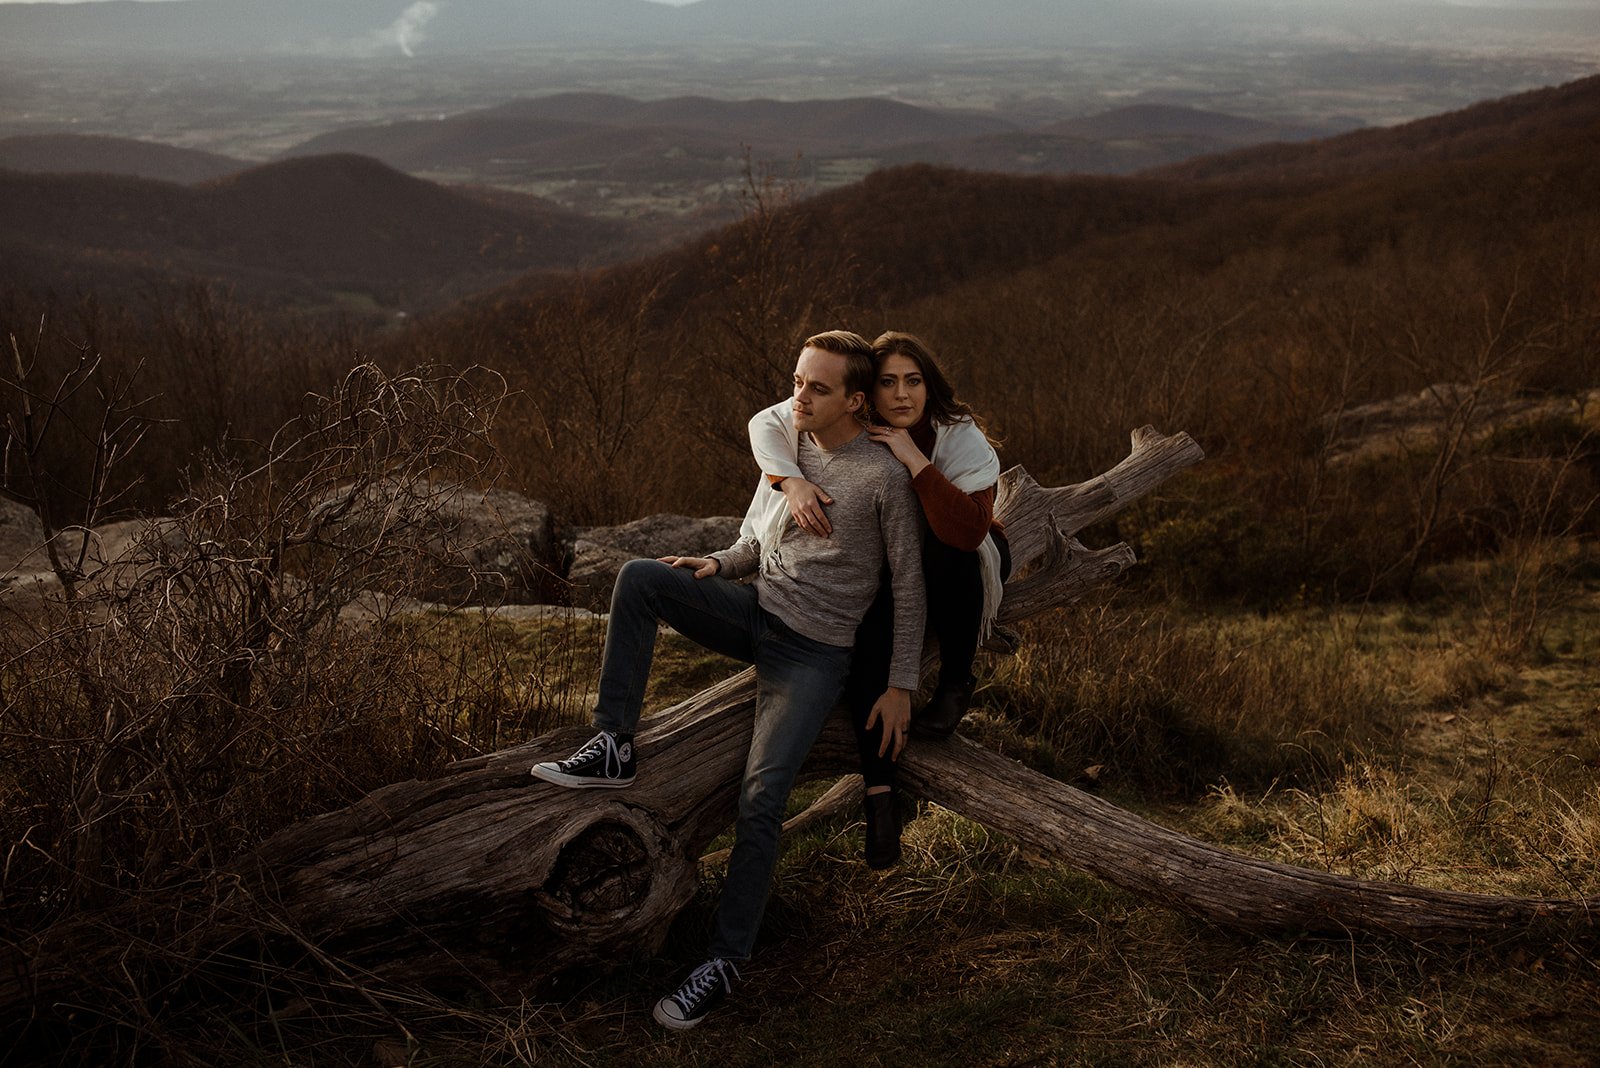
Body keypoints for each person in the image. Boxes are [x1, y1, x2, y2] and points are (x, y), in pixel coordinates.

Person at [530, 329, 926, 1031]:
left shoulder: (883, 479)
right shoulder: (789, 450)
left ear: (856, 401)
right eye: (798, 381)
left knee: (761, 796)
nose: (798, 396)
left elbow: (909, 588)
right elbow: (757, 538)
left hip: (813, 655)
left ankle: (723, 961)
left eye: (818, 387)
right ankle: (614, 743)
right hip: (755, 610)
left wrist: (900, 683)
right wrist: (718, 564)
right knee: (641, 578)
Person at [747, 330, 1010, 869]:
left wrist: (915, 460)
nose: (901, 395)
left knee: (942, 555)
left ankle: (958, 680)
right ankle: (880, 799)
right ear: (867, 392)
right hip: (896, 571)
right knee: (871, 625)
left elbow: (966, 532)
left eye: (913, 381)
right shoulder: (849, 417)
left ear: (928, 384)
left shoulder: (958, 435)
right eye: (887, 382)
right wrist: (792, 481)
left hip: (963, 562)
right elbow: (763, 423)